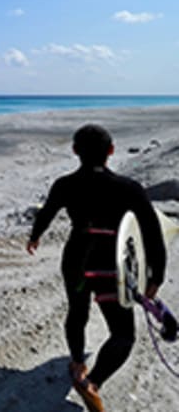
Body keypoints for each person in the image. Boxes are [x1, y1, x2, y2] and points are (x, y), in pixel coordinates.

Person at [26, 124, 166, 412]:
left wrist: (35, 236)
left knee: (77, 312)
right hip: (111, 264)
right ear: (111, 151)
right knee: (123, 334)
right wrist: (156, 274)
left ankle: (77, 364)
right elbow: (152, 233)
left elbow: (48, 211)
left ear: (76, 151)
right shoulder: (130, 188)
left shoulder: (64, 184)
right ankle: (93, 382)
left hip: (77, 259)